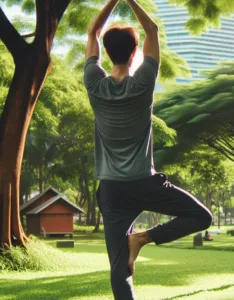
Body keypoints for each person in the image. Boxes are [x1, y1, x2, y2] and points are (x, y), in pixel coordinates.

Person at [84, 1, 213, 299]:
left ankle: (137, 241)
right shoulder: (143, 83)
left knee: (119, 271)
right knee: (201, 217)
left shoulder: (93, 82)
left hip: (112, 191)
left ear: (105, 52)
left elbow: (93, 29)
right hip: (144, 183)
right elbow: (152, 29)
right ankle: (142, 239)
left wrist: (112, 2)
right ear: (134, 53)